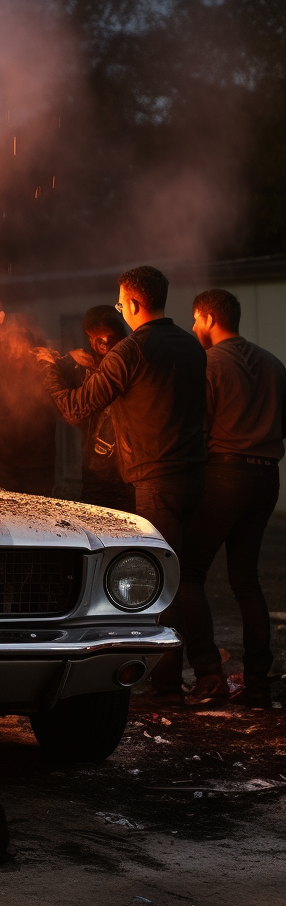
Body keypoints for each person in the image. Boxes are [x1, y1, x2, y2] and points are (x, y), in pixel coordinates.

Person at [36, 265, 207, 705]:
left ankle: (168, 687)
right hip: (194, 474)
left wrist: (53, 373)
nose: (120, 310)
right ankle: (197, 676)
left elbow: (77, 409)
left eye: (120, 302)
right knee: (185, 577)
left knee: (160, 584)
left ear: (132, 304)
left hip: (155, 477)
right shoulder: (190, 344)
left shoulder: (131, 350)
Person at [176, 289, 286, 709]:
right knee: (246, 580)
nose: (193, 328)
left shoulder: (208, 364)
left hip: (225, 473)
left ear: (207, 317)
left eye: (195, 320)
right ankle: (259, 683)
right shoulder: (274, 363)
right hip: (266, 476)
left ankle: (208, 676)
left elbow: (196, 427)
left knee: (189, 572)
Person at [0, 293, 57, 495]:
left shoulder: (25, 340)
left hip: (38, 458)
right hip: (1, 459)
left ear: (0, 318)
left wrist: (65, 360)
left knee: (36, 521)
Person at [54, 305, 134, 512]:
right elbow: (64, 406)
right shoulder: (83, 365)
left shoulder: (132, 362)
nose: (102, 343)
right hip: (95, 471)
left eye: (108, 337)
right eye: (94, 338)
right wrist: (64, 361)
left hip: (129, 473)